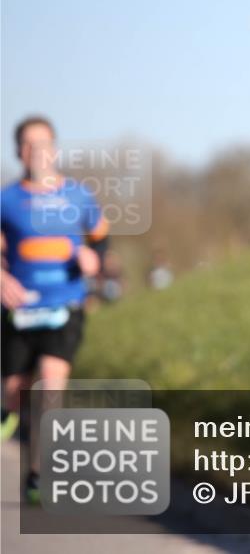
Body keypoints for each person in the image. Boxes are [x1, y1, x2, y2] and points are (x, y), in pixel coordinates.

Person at [0, 116, 108, 503]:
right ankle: (10, 409)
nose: (37, 152)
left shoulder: (79, 196)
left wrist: (92, 258)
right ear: (18, 152)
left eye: (43, 143)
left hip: (65, 306)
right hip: (19, 311)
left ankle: (38, 475)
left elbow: (101, 239)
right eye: (28, 144)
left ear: (56, 149)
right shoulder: (6, 200)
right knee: (13, 391)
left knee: (50, 383)